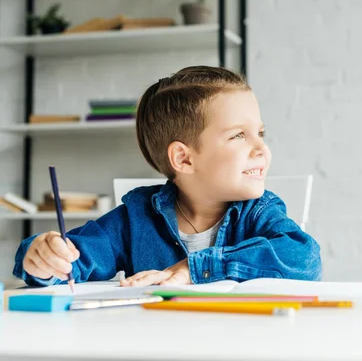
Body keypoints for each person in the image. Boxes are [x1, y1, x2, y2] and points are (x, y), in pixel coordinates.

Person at [13, 66, 322, 287]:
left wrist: (195, 267)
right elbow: (77, 259)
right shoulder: (136, 218)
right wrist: (43, 257)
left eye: (260, 133)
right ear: (184, 159)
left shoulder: (260, 211)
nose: (261, 148)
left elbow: (304, 258)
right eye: (239, 136)